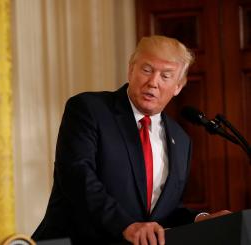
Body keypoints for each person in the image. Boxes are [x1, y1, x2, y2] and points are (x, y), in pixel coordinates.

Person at [32, 35, 230, 244]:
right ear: (131, 70)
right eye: (146, 70)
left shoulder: (181, 140)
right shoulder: (89, 109)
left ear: (178, 86)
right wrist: (125, 225)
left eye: (166, 75)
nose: (153, 82)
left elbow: (164, 212)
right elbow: (77, 176)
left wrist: (203, 219)